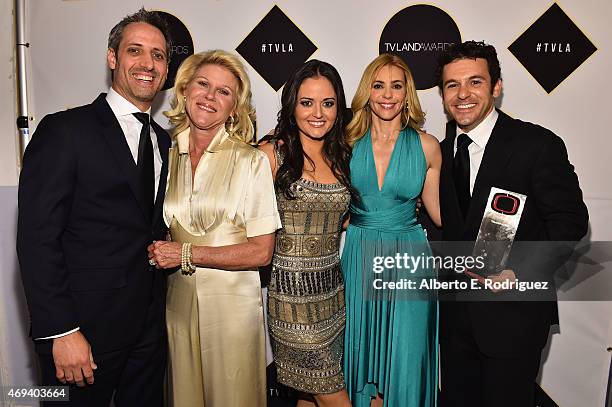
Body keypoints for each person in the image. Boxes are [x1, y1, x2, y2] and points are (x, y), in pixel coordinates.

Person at [16, 8, 171, 406]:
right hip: (81, 334)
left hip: (147, 337)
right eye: (135, 51)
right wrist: (61, 331)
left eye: (158, 55)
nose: (147, 64)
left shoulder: (163, 142)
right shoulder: (65, 131)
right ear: (112, 58)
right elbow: (37, 240)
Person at [436, 40, 589, 407]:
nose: (463, 94)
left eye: (475, 82)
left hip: (513, 320)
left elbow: (570, 222)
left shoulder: (536, 144)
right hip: (454, 323)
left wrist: (520, 271)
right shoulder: (440, 153)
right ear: (442, 94)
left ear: (496, 87)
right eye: (452, 85)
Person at [147, 50, 281, 407]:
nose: (210, 96)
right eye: (203, 84)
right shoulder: (164, 153)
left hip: (233, 309)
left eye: (224, 91)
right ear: (185, 89)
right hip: (177, 303)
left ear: (234, 107)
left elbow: (261, 251)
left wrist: (186, 252)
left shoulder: (250, 160)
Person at [342, 53, 441, 407]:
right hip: (358, 256)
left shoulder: (427, 146)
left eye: (396, 86)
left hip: (410, 260)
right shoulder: (345, 145)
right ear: (367, 91)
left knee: (405, 356)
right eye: (378, 85)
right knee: (360, 353)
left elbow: (441, 215)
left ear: (407, 93)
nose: (387, 94)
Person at [259, 59, 354, 407]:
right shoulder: (272, 154)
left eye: (328, 103)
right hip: (292, 303)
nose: (318, 113)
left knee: (309, 399)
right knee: (331, 396)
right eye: (307, 102)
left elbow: (340, 216)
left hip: (333, 294)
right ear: (291, 106)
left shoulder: (342, 155)